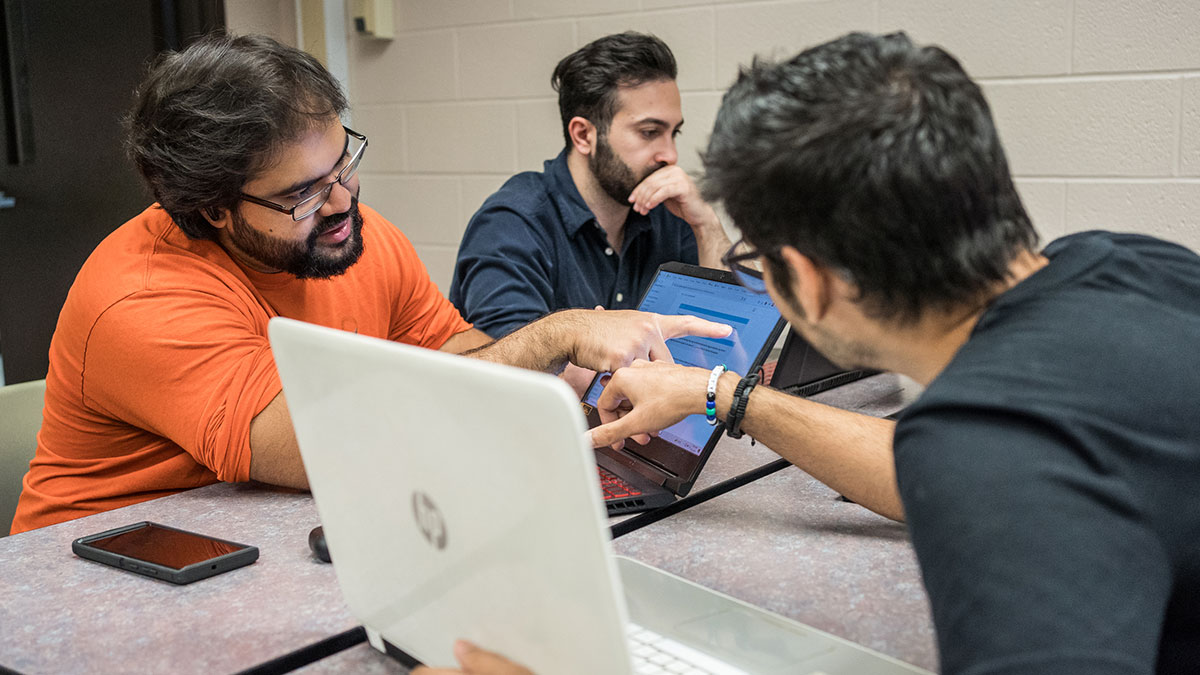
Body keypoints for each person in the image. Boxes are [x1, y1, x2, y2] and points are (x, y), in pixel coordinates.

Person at [425, 31, 1200, 675]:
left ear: (802, 280)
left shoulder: (992, 454)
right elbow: (922, 457)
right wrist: (723, 394)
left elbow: (978, 459)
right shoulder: (1121, 259)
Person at [9, 34, 728, 535]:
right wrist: (554, 333)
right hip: (110, 566)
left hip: (274, 530)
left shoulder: (356, 234)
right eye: (302, 193)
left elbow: (453, 346)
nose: (344, 200)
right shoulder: (140, 298)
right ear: (214, 208)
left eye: (342, 162)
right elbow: (325, 448)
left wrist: (554, 370)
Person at [448, 32, 732, 344]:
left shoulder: (668, 212)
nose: (671, 155)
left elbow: (733, 336)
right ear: (584, 135)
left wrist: (706, 223)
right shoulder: (513, 223)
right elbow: (515, 368)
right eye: (649, 132)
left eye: (673, 133)